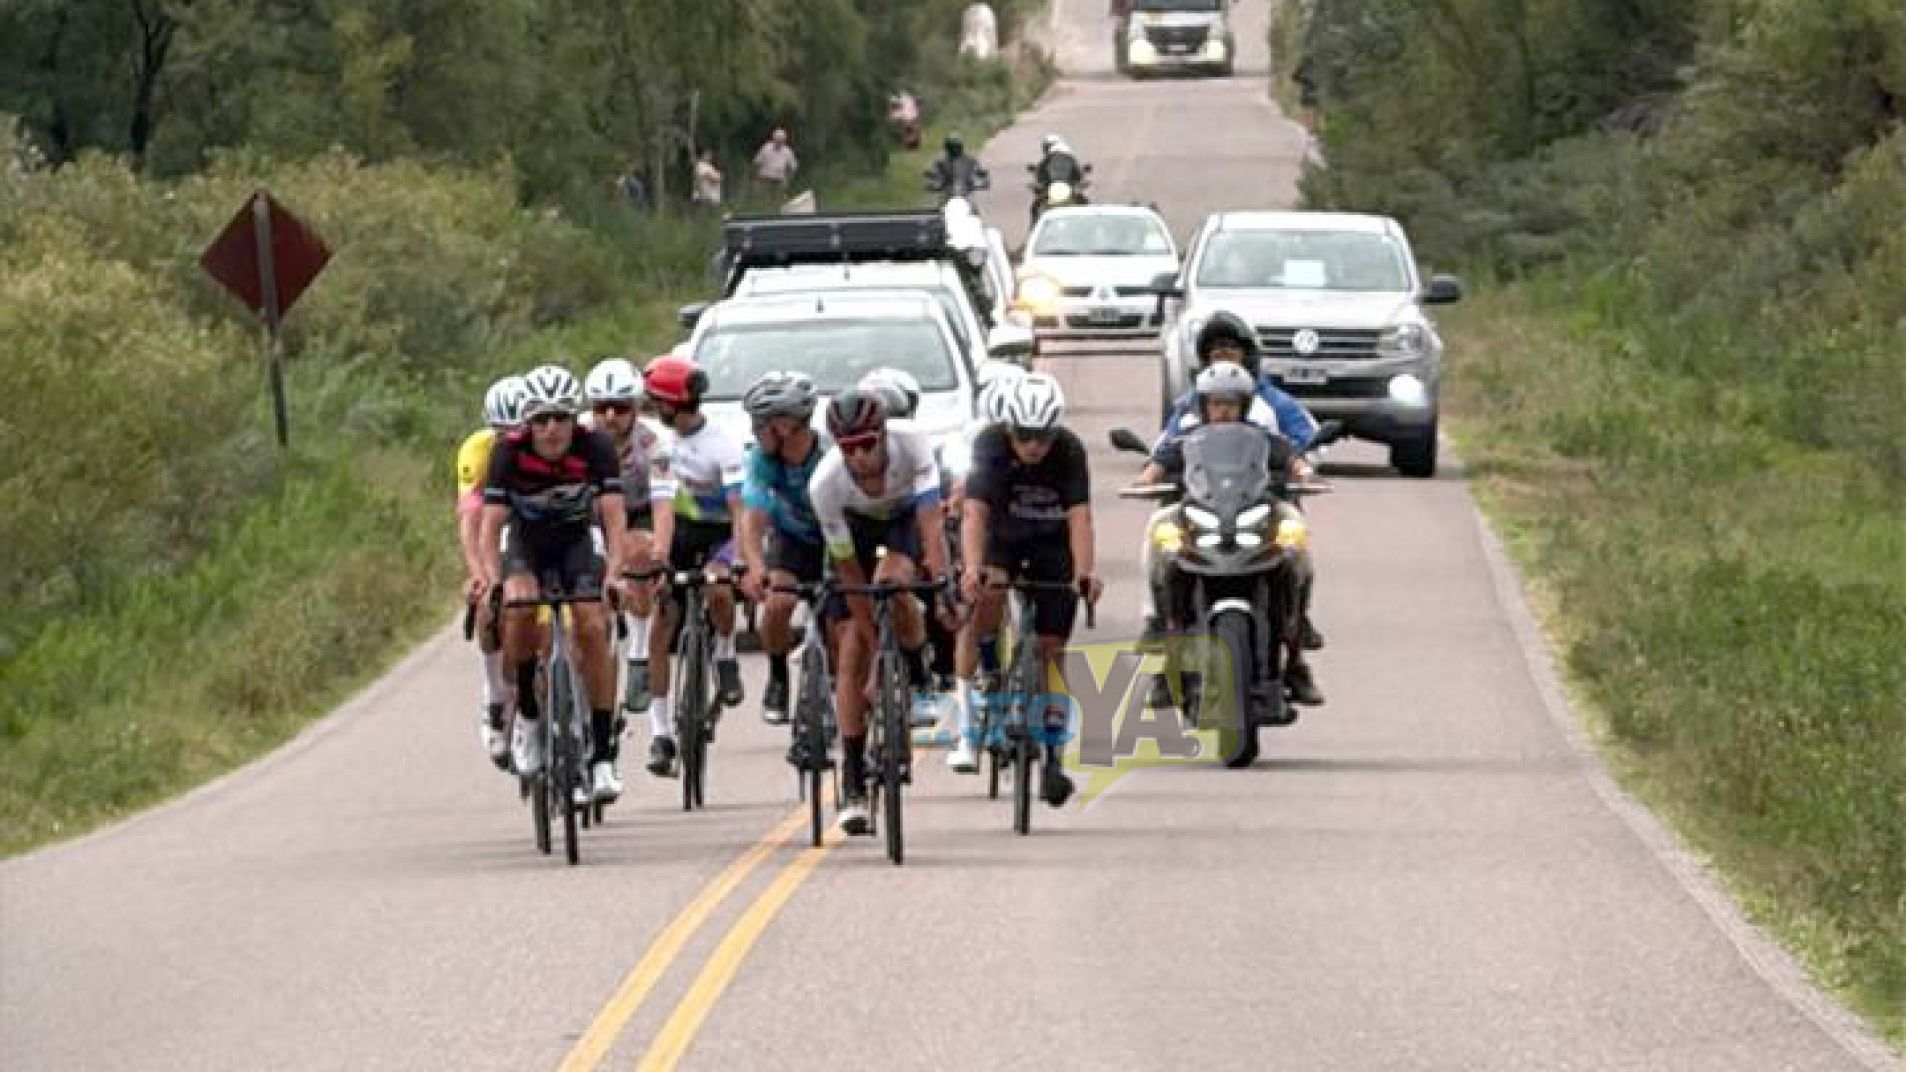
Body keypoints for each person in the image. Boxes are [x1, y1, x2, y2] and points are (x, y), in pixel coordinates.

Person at [475, 364, 632, 803]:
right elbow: (490, 529)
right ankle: (526, 714)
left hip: (577, 543)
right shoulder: (507, 454)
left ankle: (601, 754)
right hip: (527, 546)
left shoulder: (596, 447)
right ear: (527, 424)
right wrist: (491, 581)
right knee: (520, 608)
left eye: (560, 417)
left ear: (574, 419)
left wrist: (616, 572)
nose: (550, 430)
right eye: (540, 420)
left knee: (592, 623)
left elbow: (615, 518)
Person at [1135, 362, 1326, 708]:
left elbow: (1295, 460)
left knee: (1296, 529)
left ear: (1245, 405)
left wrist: (1305, 474)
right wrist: (1146, 479)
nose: (1223, 411)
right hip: (1199, 519)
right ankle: (1160, 629)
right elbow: (1156, 464)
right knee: (1158, 527)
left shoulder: (1265, 441)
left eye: (1231, 403)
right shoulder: (1185, 440)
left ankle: (1297, 643)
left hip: (1256, 518)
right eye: (1216, 403)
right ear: (1203, 405)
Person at [808, 390, 955, 835]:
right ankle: (852, 777)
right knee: (852, 649)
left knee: (896, 580)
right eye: (849, 448)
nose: (861, 457)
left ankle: (915, 673)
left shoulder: (913, 445)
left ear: (884, 435)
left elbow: (930, 524)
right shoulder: (826, 484)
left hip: (904, 521)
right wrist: (872, 643)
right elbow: (848, 566)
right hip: (853, 529)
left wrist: (943, 582)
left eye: (868, 444)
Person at [954, 374, 1099, 807]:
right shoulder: (990, 445)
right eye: (1024, 436)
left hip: (1051, 542)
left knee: (1052, 649)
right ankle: (969, 719)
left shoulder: (1070, 451)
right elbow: (975, 514)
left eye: (1042, 437)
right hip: (1002, 539)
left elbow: (1080, 519)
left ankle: (1054, 755)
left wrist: (1086, 574)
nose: (1033, 447)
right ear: (1008, 429)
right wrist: (973, 568)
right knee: (986, 597)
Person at [638, 354, 747, 778]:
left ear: (672, 402)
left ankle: (724, 653)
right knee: (662, 621)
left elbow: (740, 510)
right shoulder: (658, 445)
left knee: (718, 589)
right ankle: (661, 733)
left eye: (655, 401)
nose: (651, 409)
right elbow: (659, 503)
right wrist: (658, 561)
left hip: (721, 533)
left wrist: (735, 558)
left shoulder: (723, 443)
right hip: (678, 533)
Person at [580, 357, 671, 733]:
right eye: (602, 408)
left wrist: (661, 554)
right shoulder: (577, 436)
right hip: (587, 518)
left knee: (637, 553)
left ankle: (637, 655)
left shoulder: (653, 442)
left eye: (620, 408)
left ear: (635, 408)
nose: (611, 416)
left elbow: (663, 504)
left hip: (636, 514)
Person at [734, 372, 828, 727]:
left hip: (839, 537)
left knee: (841, 614)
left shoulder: (829, 452)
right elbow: (752, 514)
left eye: (760, 424)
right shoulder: (762, 458)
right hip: (793, 540)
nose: (755, 431)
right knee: (777, 605)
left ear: (786, 426)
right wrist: (755, 565)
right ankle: (777, 677)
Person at [860, 367, 952, 724]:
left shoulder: (920, 445)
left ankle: (927, 668)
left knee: (932, 570)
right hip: (865, 525)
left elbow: (935, 507)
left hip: (906, 521)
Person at [459, 374, 529, 770]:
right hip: (496, 524)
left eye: (516, 434)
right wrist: (479, 573)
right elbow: (470, 519)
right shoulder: (477, 451)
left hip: (536, 523)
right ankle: (494, 696)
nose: (509, 444)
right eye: (501, 435)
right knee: (490, 604)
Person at [925, 133, 988, 200]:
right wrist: (933, 183)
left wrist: (981, 180)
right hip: (947, 195)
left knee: (973, 209)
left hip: (965, 194)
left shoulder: (970, 160)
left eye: (956, 147)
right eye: (952, 147)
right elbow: (936, 175)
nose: (954, 150)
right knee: (941, 207)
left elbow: (977, 172)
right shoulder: (940, 162)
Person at [753, 127, 799, 191]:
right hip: (765, 178)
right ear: (773, 139)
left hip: (779, 180)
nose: (779, 142)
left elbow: (793, 168)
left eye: (781, 140)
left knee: (777, 199)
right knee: (763, 198)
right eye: (777, 140)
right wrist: (756, 179)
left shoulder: (788, 151)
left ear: (784, 141)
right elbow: (757, 162)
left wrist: (787, 180)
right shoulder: (766, 148)